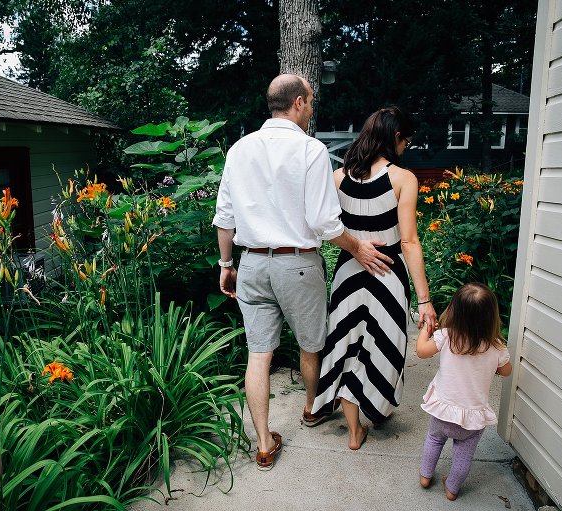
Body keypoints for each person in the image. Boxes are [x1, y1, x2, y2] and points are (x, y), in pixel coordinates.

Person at [213, 74, 393, 471]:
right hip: (297, 262)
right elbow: (324, 224)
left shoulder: (239, 150)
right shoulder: (310, 150)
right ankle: (312, 408)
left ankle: (263, 444)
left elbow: (224, 218)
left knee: (258, 354)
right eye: (310, 101)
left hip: (252, 262)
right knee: (310, 344)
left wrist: (227, 265)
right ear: (297, 103)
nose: (311, 108)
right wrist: (359, 247)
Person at [309, 106, 438, 450]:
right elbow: (409, 241)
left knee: (346, 346)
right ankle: (377, 409)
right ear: (396, 137)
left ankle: (354, 431)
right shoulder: (403, 179)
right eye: (406, 142)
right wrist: (425, 300)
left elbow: (325, 227)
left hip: (349, 274)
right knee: (386, 344)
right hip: (389, 276)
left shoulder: (338, 178)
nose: (405, 148)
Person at [416, 282, 513, 500]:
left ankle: (425, 476)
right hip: (472, 418)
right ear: (491, 317)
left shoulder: (447, 336)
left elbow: (421, 351)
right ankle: (452, 488)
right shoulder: (497, 347)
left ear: (455, 311)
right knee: (463, 454)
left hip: (443, 411)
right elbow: (507, 371)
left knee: (434, 439)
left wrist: (425, 331)